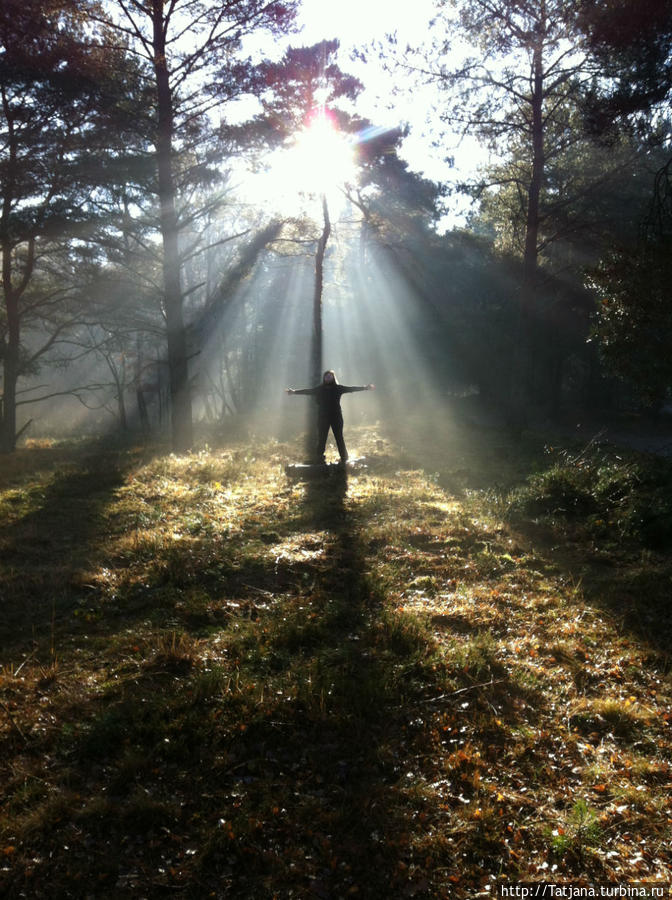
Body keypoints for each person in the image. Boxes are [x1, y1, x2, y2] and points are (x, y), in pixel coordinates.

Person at [286, 370, 375, 464]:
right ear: (324, 378)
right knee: (322, 438)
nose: (328, 377)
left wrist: (365, 388)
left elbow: (351, 389)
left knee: (339, 437)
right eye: (326, 376)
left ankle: (344, 458)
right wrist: (294, 392)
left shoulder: (338, 388)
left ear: (333, 378)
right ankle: (319, 459)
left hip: (336, 417)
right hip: (323, 418)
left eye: (330, 376)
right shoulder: (319, 389)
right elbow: (308, 391)